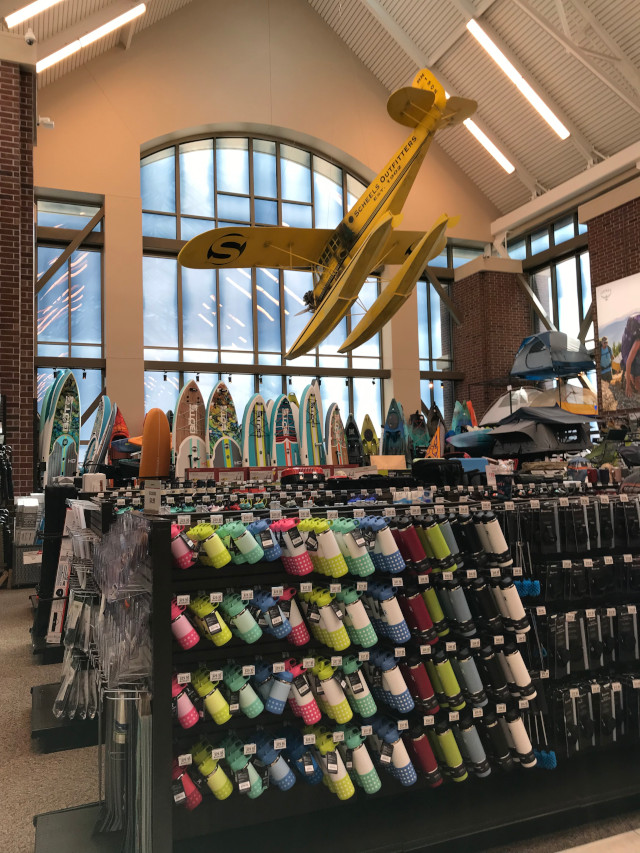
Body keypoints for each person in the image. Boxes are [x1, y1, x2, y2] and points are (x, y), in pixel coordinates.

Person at [621, 315, 640, 398]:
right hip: (629, 358)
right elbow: (628, 361)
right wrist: (627, 386)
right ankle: (630, 382)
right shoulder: (638, 340)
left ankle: (632, 382)